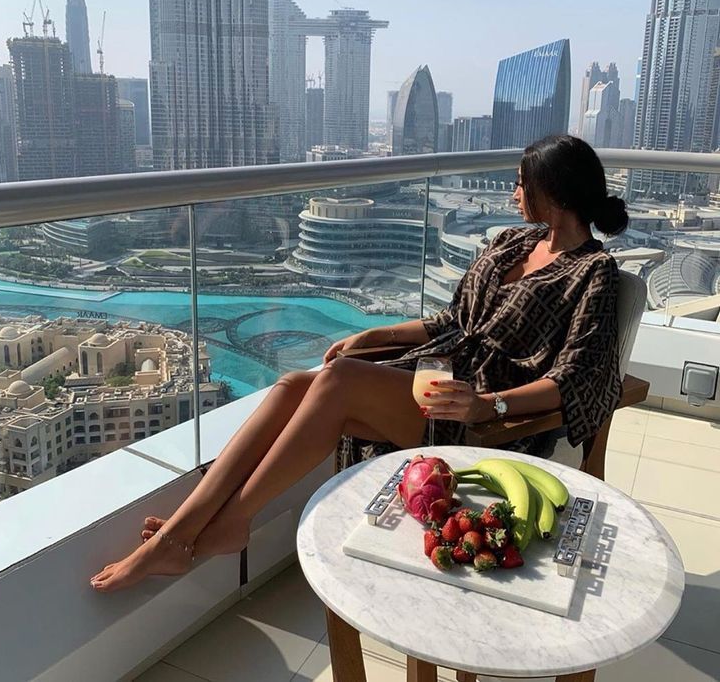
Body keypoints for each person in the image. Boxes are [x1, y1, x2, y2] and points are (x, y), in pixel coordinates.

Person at [90, 134, 628, 592]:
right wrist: (371, 334)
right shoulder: (513, 243)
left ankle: (218, 524)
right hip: (438, 380)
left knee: (339, 383)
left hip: (483, 419)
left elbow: (577, 379)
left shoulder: (593, 273)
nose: (513, 194)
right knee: (292, 385)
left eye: (520, 184)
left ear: (552, 193)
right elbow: (451, 321)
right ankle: (189, 527)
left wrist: (487, 405)